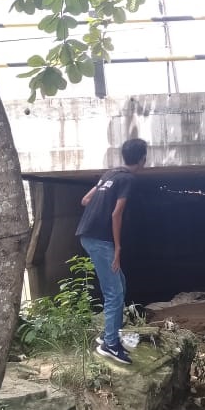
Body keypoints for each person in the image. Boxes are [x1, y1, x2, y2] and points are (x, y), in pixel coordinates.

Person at [76, 138, 147, 365]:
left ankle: (110, 334)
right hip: (101, 240)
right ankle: (110, 345)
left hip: (88, 235)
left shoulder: (110, 174)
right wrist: (117, 248)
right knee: (114, 293)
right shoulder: (127, 179)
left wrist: (101, 201)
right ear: (143, 159)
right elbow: (116, 214)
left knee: (120, 285)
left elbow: (85, 200)